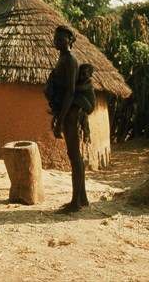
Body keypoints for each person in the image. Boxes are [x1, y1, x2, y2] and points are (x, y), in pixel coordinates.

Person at [47, 25, 89, 213]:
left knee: (74, 155)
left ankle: (75, 203)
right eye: (55, 38)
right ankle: (83, 198)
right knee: (75, 155)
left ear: (70, 40)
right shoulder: (62, 58)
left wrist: (62, 118)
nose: (56, 41)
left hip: (71, 111)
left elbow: (71, 90)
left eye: (61, 38)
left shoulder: (70, 59)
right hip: (67, 109)